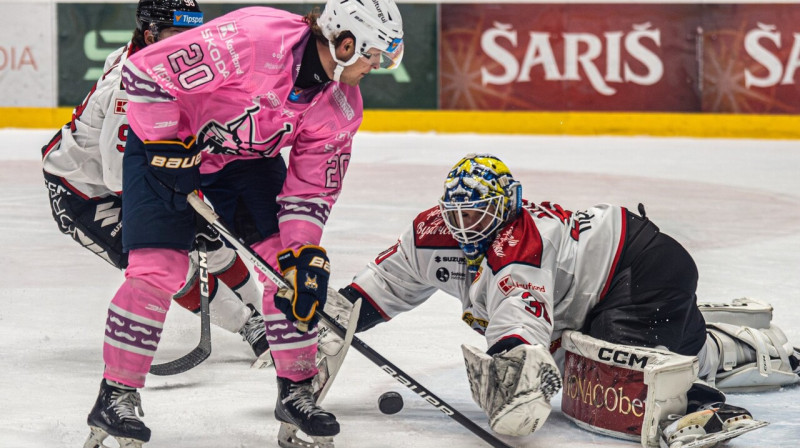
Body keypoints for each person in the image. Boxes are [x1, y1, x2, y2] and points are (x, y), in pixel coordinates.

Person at [84, 0, 404, 447]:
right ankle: (116, 395)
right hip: (172, 144)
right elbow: (144, 73)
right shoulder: (256, 38)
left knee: (288, 270)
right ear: (345, 42)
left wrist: (302, 251)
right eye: (374, 55)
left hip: (246, 161)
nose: (377, 66)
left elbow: (309, 191)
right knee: (159, 269)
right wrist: (164, 140)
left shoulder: (341, 105)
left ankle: (295, 390)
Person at [319, 154, 800, 446]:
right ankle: (747, 346)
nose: (466, 227)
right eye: (457, 214)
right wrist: (323, 320)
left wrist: (510, 365)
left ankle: (700, 404)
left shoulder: (519, 244)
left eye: (479, 212)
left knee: (608, 387)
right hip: (595, 295)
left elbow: (519, 324)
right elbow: (376, 289)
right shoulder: (429, 234)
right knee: (608, 359)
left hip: (640, 267)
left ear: (507, 205)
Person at [41, 1, 268, 357]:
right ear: (150, 35)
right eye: (179, 34)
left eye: (194, 32)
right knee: (168, 263)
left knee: (213, 239)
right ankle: (249, 325)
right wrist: (176, 208)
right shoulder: (128, 90)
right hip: (82, 192)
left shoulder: (147, 58)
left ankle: (268, 313)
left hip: (123, 172)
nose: (191, 43)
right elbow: (116, 176)